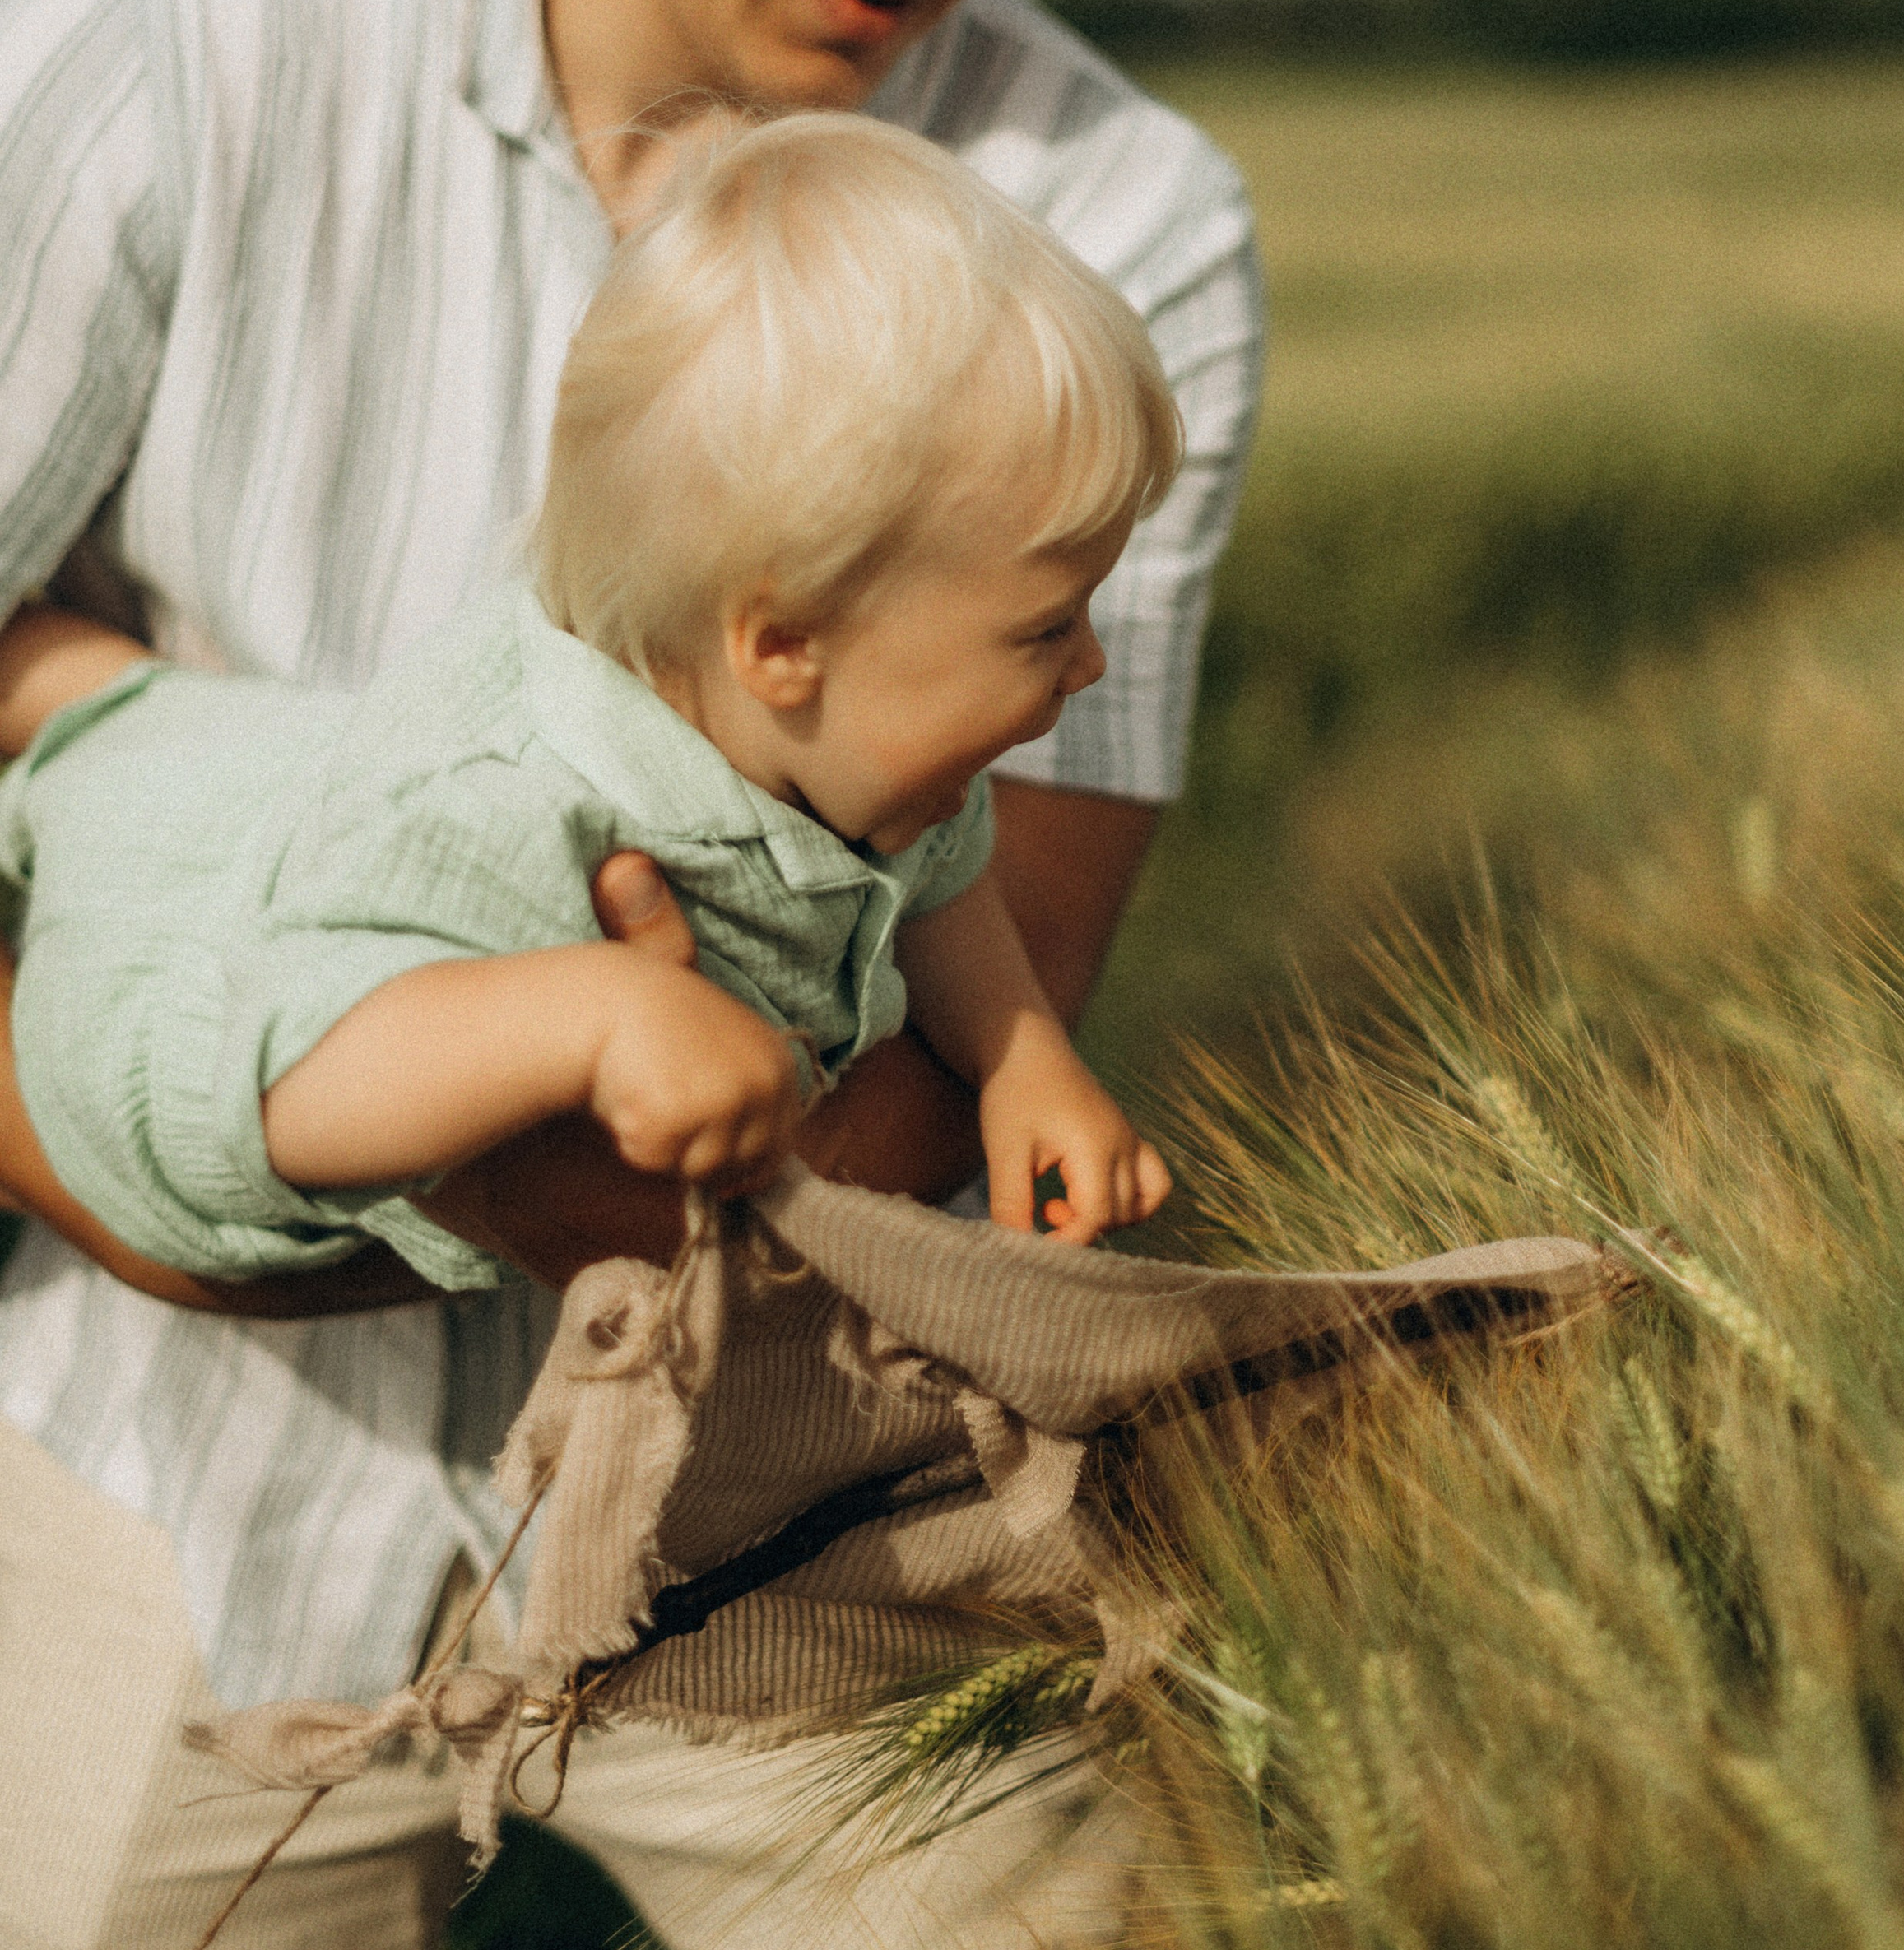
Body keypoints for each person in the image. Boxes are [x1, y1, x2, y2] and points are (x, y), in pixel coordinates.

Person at [0, 0, 1263, 1950]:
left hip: (797, 1492)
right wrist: (115, 1130)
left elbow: (964, 988)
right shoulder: (175, 46)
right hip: (170, 1492)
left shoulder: (1117, 223)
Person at [0, 118, 1181, 1284]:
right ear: (781, 643)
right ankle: (51, 688)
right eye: (1043, 628)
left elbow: (938, 885)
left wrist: (1018, 1061)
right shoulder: (500, 818)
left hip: (285, 789)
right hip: (180, 967)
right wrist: (598, 1017)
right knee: (117, 784)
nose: (1090, 666)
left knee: (209, 745)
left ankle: (89, 698)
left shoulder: (866, 755)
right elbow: (287, 1088)